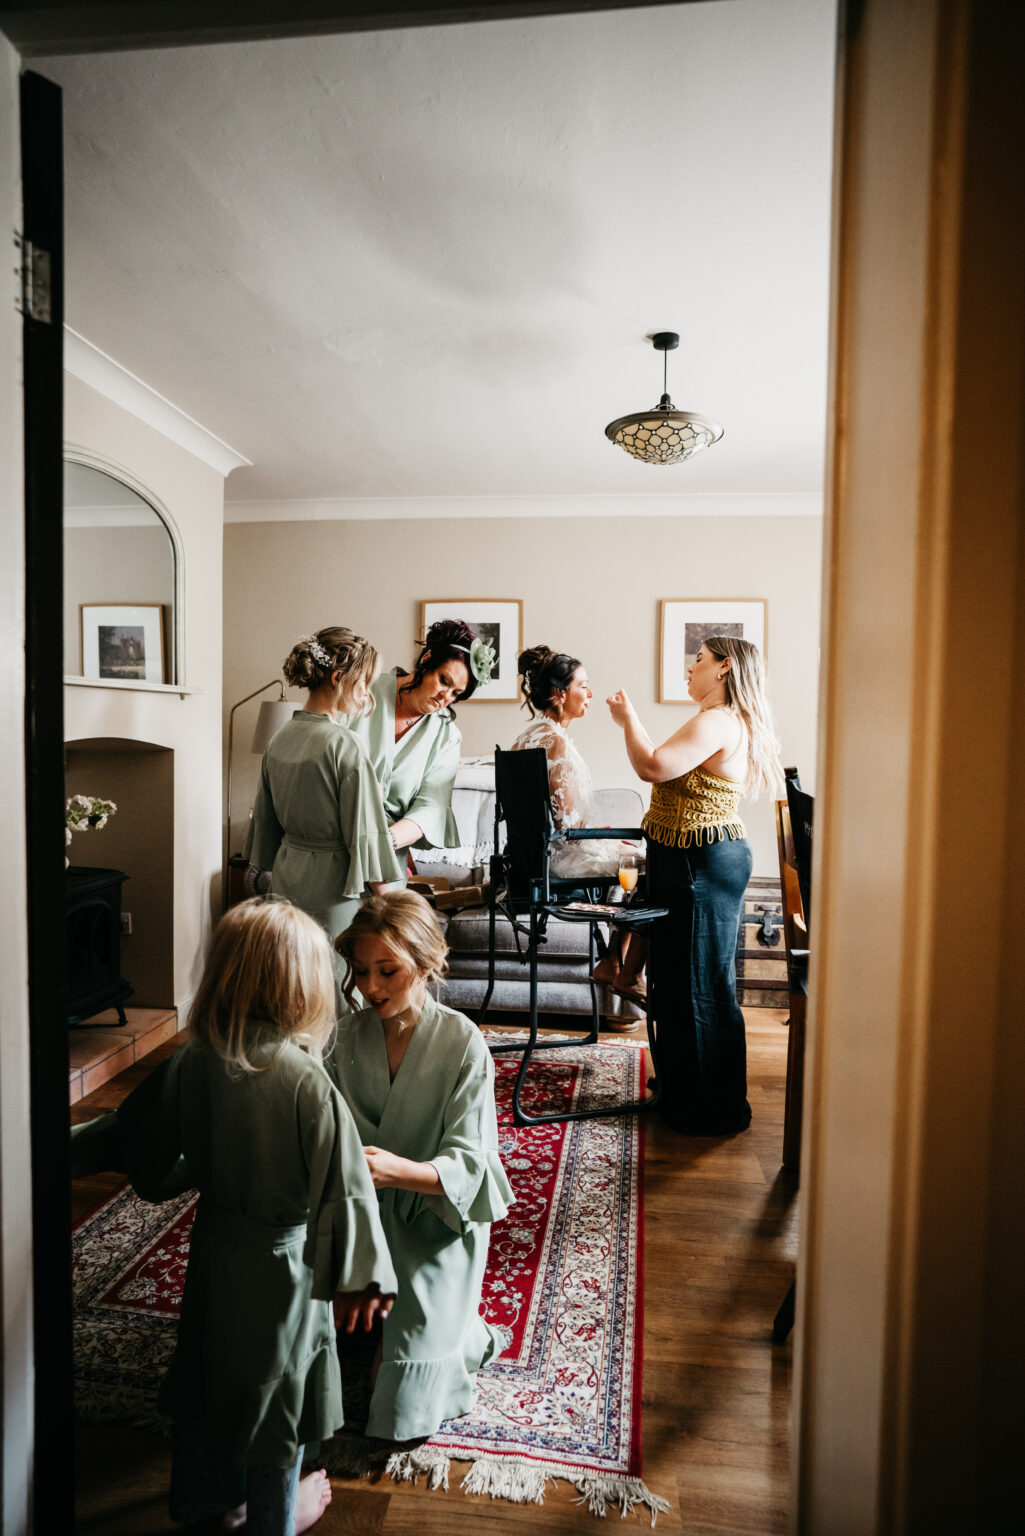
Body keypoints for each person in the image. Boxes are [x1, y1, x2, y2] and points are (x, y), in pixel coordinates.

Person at [70, 899, 399, 1535]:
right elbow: (346, 1183)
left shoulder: (193, 1060)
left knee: (208, 1381)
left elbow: (133, 1135)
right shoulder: (305, 1080)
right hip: (284, 1272)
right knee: (277, 1397)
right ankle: (278, 1516)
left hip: (216, 1253)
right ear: (301, 984)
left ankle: (204, 1505)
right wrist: (361, 1275)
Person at [328, 890, 514, 1442]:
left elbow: (471, 1167)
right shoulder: (343, 1037)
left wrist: (395, 1172)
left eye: (388, 971)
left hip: (432, 1224)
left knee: (402, 1414)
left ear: (427, 964)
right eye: (361, 971)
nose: (370, 987)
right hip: (356, 1218)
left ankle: (464, 1334)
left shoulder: (463, 1044)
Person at [607, 636, 783, 1135]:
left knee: (700, 986)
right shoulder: (719, 718)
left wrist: (628, 721)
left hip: (701, 860)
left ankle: (710, 1108)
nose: (691, 668)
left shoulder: (720, 720)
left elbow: (653, 766)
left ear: (724, 668)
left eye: (699, 660)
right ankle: (684, 1089)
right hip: (688, 855)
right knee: (680, 983)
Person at [244, 628, 403, 947]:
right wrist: (396, 913)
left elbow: (264, 824)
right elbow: (366, 837)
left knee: (293, 978)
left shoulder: (280, 738)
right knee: (334, 986)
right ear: (337, 678)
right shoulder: (346, 744)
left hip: (286, 882)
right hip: (335, 890)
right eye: (363, 684)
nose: (366, 695)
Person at [512, 645, 646, 1007]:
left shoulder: (525, 738)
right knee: (651, 863)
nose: (589, 694)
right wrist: (613, 839)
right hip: (560, 858)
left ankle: (612, 960)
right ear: (560, 693)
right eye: (583, 686)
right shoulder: (555, 741)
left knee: (634, 855)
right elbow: (567, 823)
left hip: (531, 859)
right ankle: (620, 965)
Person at [348, 618, 495, 866]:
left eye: (455, 694)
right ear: (426, 660)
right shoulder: (361, 691)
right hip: (331, 838)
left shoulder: (447, 736)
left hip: (385, 851)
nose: (445, 697)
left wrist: (384, 842)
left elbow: (432, 807)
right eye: (444, 681)